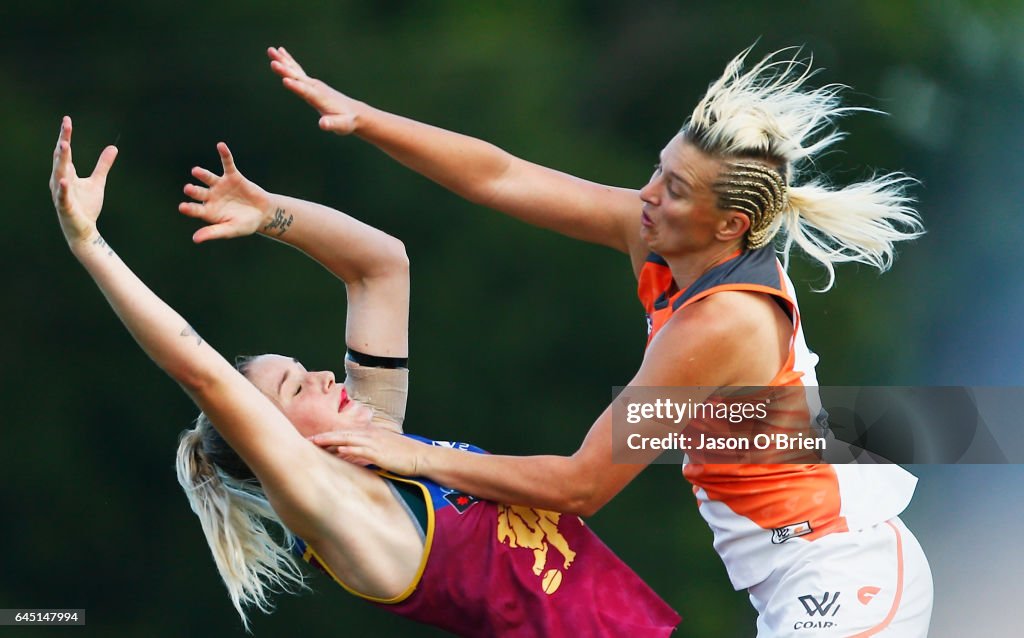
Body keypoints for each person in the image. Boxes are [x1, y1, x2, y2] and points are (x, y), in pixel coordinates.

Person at [271, 45, 935, 635]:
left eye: (673, 190)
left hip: (842, 570)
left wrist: (411, 456)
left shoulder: (721, 322)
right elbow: (498, 177)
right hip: (802, 575)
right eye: (657, 170)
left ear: (728, 223)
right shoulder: (662, 239)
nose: (645, 195)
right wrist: (364, 117)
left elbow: (578, 486)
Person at [49, 116, 680, 636]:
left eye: (303, 370)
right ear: (271, 439)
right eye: (297, 388)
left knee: (741, 418)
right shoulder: (332, 505)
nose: (324, 375)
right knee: (734, 398)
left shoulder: (377, 447)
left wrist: (271, 215)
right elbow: (201, 373)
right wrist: (89, 244)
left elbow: (380, 266)